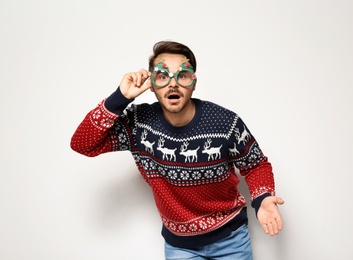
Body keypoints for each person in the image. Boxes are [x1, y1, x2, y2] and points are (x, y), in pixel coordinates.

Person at [71, 40, 284, 259]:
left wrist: (263, 197)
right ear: (152, 84)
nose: (173, 84)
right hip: (180, 246)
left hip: (231, 238)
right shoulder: (138, 125)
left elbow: (256, 164)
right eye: (163, 76)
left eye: (182, 75)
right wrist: (120, 97)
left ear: (193, 82)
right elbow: (83, 144)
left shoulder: (225, 123)